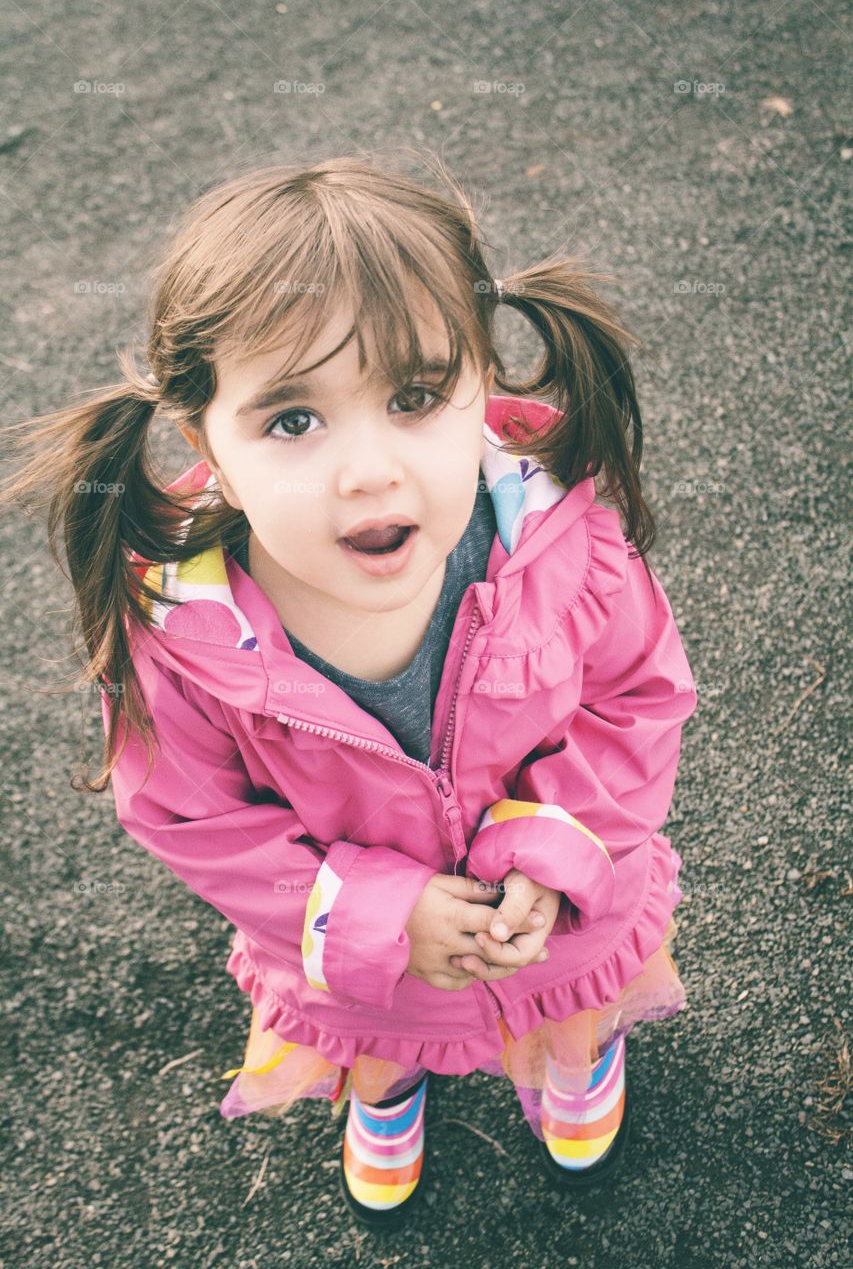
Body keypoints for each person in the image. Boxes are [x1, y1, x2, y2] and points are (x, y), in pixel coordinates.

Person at [2, 152, 698, 1230]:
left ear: (480, 380)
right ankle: (385, 1095)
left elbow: (636, 699)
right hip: (361, 951)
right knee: (381, 1033)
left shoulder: (566, 550)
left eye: (415, 396)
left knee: (578, 1002)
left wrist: (565, 852)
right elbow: (194, 820)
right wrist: (374, 914)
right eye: (291, 420)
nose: (368, 468)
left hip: (563, 910)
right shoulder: (188, 642)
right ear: (208, 445)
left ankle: (575, 1066)